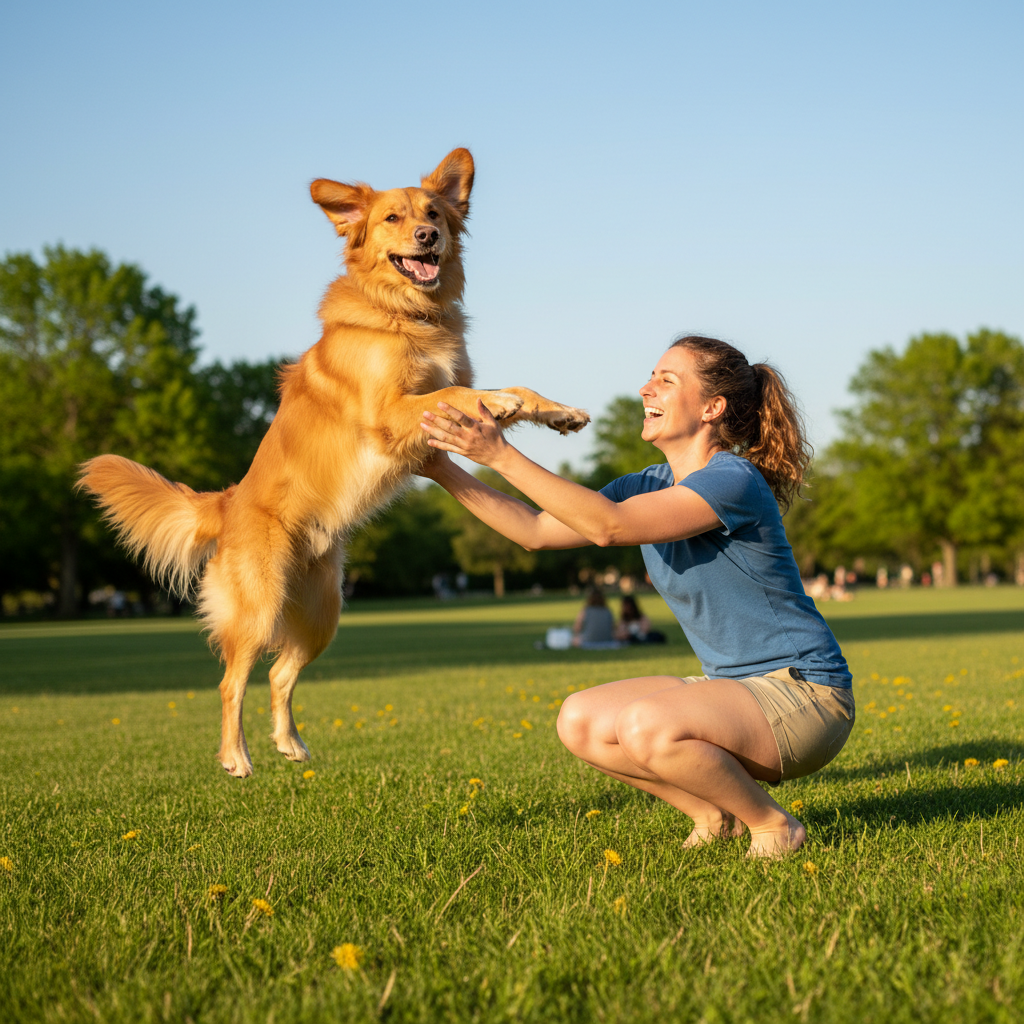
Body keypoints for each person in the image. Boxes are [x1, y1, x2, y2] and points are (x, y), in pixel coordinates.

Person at [418, 335, 854, 857]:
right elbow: (534, 530)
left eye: (667, 380)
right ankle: (715, 816)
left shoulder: (733, 480)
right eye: (651, 376)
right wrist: (441, 468)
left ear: (713, 408)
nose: (646, 388)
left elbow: (609, 528)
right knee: (580, 720)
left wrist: (501, 455)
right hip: (736, 692)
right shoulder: (644, 483)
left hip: (805, 696)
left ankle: (772, 824)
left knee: (644, 725)